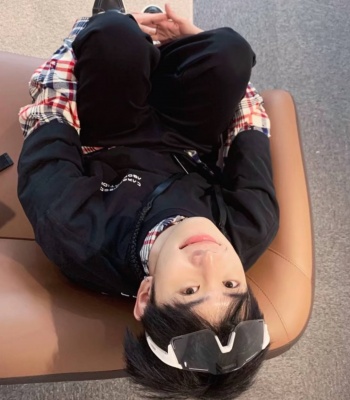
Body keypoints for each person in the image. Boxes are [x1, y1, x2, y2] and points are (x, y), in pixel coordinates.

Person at [17, 1, 279, 399]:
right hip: (186, 142)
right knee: (230, 51)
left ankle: (125, 32)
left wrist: (87, 33)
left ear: (145, 295)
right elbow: (250, 126)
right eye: (230, 284)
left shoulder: (76, 233)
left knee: (113, 36)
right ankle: (163, 49)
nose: (211, 260)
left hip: (107, 136)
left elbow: (49, 116)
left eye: (189, 290)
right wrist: (197, 42)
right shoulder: (252, 224)